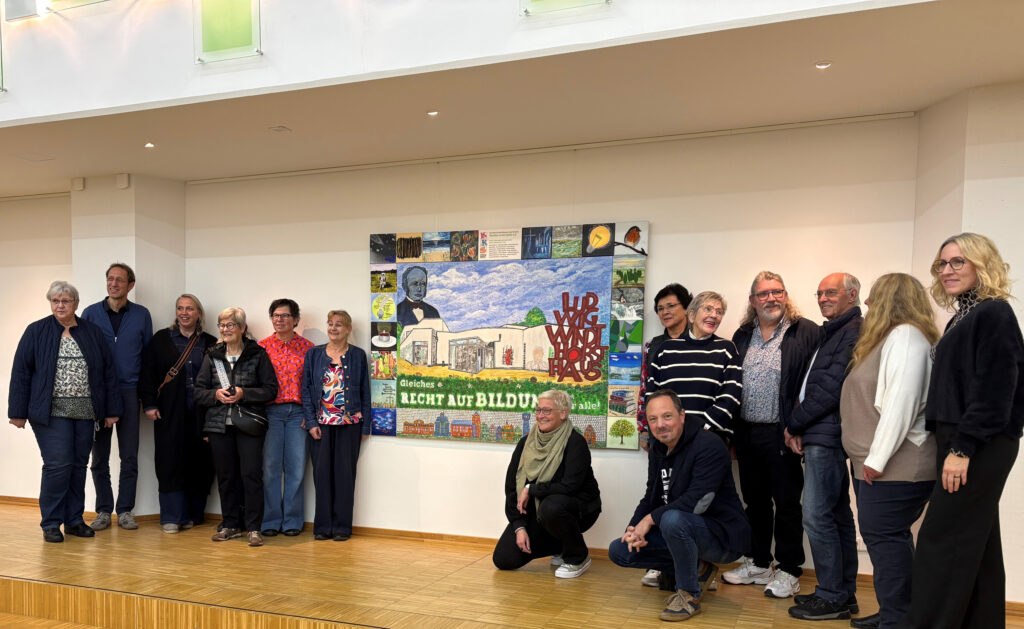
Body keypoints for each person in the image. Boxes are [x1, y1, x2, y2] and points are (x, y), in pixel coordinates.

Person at [906, 233, 1023, 629]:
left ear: (981, 264)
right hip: (964, 439)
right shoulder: (966, 314)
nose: (947, 270)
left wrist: (962, 449)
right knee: (978, 542)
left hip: (978, 442)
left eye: (958, 262)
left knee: (942, 541)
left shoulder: (993, 312)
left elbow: (996, 387)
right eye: (943, 263)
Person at [839, 273, 939, 629]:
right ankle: (895, 612)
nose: (866, 304)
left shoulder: (907, 337)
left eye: (874, 297)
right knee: (887, 541)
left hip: (896, 465)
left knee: (886, 540)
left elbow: (901, 404)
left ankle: (898, 620)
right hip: (877, 464)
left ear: (890, 300)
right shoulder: (891, 338)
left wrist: (877, 460)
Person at [608, 390, 749, 622]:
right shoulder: (658, 448)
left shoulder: (709, 444)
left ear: (682, 415)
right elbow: (650, 496)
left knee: (673, 519)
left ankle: (689, 596)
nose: (660, 425)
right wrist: (633, 529)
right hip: (679, 529)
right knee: (621, 550)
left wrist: (649, 520)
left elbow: (697, 502)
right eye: (653, 419)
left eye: (667, 416)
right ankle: (700, 569)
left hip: (722, 537)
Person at [725, 271, 819, 598]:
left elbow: (815, 383)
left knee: (788, 503)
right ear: (753, 301)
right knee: (755, 502)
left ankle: (789, 569)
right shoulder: (743, 334)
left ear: (785, 295)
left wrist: (801, 427)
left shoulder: (804, 331)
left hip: (784, 433)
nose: (771, 298)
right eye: (763, 294)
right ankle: (759, 562)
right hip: (748, 433)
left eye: (777, 292)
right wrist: (733, 435)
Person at [8, 281, 122, 543]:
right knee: (58, 465)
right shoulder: (36, 331)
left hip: (85, 411)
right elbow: (21, 372)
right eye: (55, 301)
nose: (60, 306)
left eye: (65, 301)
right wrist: (17, 411)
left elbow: (107, 371)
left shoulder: (91, 332)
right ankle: (51, 523)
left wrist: (112, 409)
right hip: (50, 412)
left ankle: (73, 521)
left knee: (78, 465)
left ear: (76, 304)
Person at [785, 273, 863, 622]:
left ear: (852, 294)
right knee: (836, 515)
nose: (822, 298)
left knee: (817, 516)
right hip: (820, 434)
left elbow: (831, 388)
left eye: (831, 292)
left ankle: (832, 596)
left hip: (826, 437)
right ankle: (843, 593)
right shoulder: (832, 331)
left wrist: (794, 423)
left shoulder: (852, 331)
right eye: (819, 293)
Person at [492, 389, 601, 578]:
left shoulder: (575, 443)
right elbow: (511, 487)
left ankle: (577, 557)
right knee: (504, 559)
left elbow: (570, 486)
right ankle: (560, 545)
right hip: (538, 513)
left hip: (577, 509)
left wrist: (531, 489)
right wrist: (519, 526)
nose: (541, 415)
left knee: (552, 506)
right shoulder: (526, 443)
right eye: (538, 410)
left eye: (547, 411)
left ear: (563, 413)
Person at [195, 307, 278, 548]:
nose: (225, 329)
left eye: (230, 325)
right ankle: (230, 525)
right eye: (222, 325)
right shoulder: (212, 356)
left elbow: (270, 390)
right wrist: (215, 395)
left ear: (242, 328)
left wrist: (244, 393)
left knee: (251, 476)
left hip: (249, 425)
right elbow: (198, 392)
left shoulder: (258, 354)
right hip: (219, 426)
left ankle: (253, 528)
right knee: (226, 477)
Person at [82, 262, 153, 531]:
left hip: (129, 392)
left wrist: (146, 396)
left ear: (130, 285)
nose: (113, 284)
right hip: (99, 394)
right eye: (110, 279)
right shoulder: (90, 313)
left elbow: (147, 359)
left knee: (129, 456)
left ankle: (125, 511)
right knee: (99, 457)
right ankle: (103, 510)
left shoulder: (141, 315)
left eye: (120, 280)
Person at [139, 294, 218, 533]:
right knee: (170, 462)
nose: (184, 313)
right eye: (180, 308)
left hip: (202, 414)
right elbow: (147, 374)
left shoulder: (211, 342)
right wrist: (149, 404)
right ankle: (172, 517)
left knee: (200, 463)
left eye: (190, 309)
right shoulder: (161, 339)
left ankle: (193, 514)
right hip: (169, 413)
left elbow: (219, 378)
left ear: (199, 313)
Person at [635, 283, 693, 588]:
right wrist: (644, 427)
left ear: (686, 307)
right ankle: (658, 561)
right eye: (660, 308)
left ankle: (699, 564)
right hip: (661, 432)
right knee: (659, 491)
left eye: (671, 306)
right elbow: (645, 387)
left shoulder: (699, 340)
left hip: (694, 434)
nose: (665, 312)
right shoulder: (654, 345)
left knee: (692, 496)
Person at [302, 310, 371, 541]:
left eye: (339, 324)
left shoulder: (358, 355)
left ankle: (342, 527)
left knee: (345, 476)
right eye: (330, 324)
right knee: (321, 477)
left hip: (350, 423)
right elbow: (306, 390)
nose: (333, 328)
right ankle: (323, 527)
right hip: (321, 425)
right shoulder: (314, 354)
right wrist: (311, 422)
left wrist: (365, 427)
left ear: (348, 329)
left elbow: (365, 391)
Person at [646, 291, 742, 441]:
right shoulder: (665, 349)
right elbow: (652, 394)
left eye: (719, 312)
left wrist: (703, 428)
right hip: (669, 438)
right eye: (708, 309)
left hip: (709, 437)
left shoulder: (727, 349)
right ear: (691, 315)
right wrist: (661, 428)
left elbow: (731, 396)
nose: (714, 315)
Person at [258, 298, 314, 538]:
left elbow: (313, 385)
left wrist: (310, 415)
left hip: (298, 414)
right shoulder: (261, 348)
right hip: (271, 412)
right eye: (276, 315)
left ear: (296, 319)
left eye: (285, 315)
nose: (280, 320)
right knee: (270, 468)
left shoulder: (308, 348)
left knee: (296, 469)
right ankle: (270, 520)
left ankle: (292, 520)